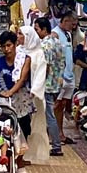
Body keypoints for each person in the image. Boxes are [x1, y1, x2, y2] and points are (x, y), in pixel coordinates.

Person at [34, 16, 65, 156]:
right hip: (56, 83)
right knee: (50, 114)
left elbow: (45, 66)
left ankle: (56, 145)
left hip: (47, 84)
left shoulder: (45, 45)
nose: (36, 32)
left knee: (49, 115)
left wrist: (39, 82)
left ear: (44, 29)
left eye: (37, 29)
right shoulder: (57, 42)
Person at [21, 25, 50, 165]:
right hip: (20, 96)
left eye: (21, 34)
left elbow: (40, 74)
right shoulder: (19, 51)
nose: (19, 37)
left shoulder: (39, 54)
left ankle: (31, 154)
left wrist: (34, 91)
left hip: (33, 97)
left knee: (34, 126)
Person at [53, 11, 78, 144]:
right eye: (72, 24)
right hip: (60, 77)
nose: (73, 27)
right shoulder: (55, 34)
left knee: (62, 105)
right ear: (65, 21)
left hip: (69, 75)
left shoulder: (68, 34)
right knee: (56, 104)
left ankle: (60, 133)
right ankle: (52, 134)